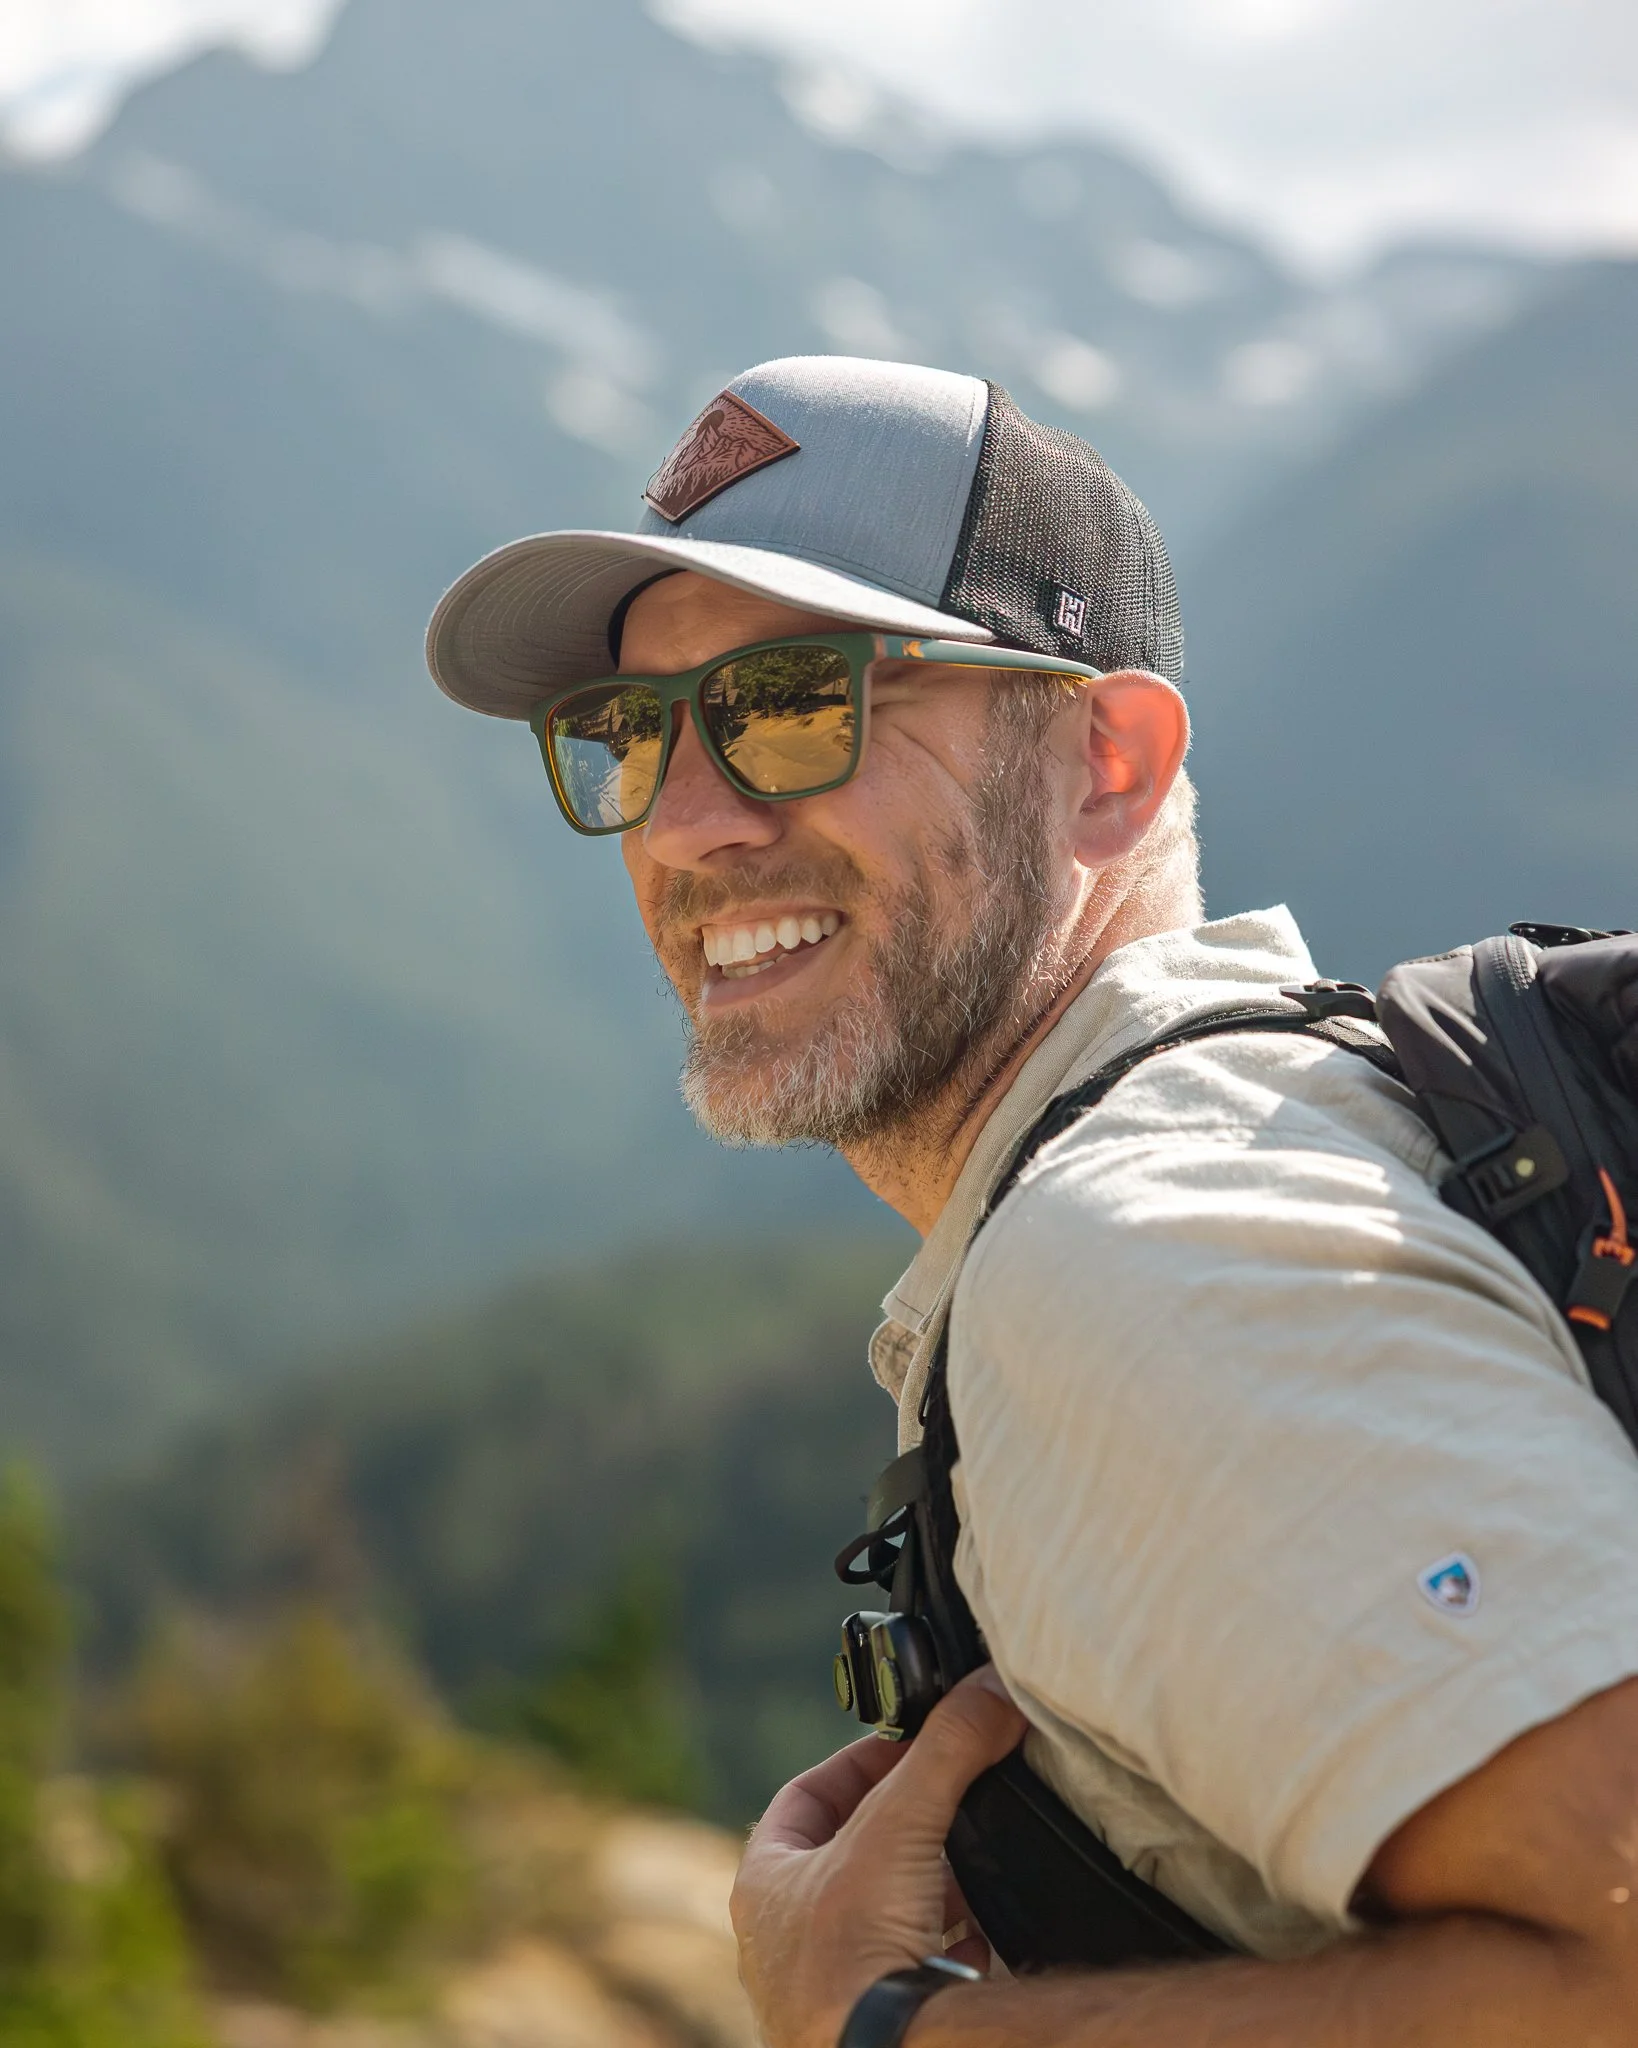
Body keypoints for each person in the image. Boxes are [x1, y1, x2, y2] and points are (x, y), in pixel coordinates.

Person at [426, 356, 1638, 2045]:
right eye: (632, 732)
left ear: (1108, 764)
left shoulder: (1147, 1260)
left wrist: (881, 2026)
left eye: (793, 702)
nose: (684, 825)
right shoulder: (1267, 1134)